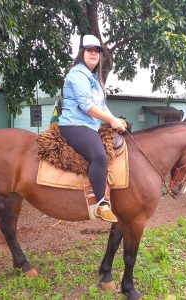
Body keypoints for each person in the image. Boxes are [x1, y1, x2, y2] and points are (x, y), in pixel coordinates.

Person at [58, 34, 126, 222]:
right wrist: (111, 121)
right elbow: (86, 105)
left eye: (97, 51)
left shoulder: (94, 79)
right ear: (82, 53)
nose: (94, 54)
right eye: (90, 50)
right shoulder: (77, 75)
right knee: (99, 155)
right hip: (75, 125)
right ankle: (101, 204)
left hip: (91, 125)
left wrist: (115, 119)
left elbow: (102, 106)